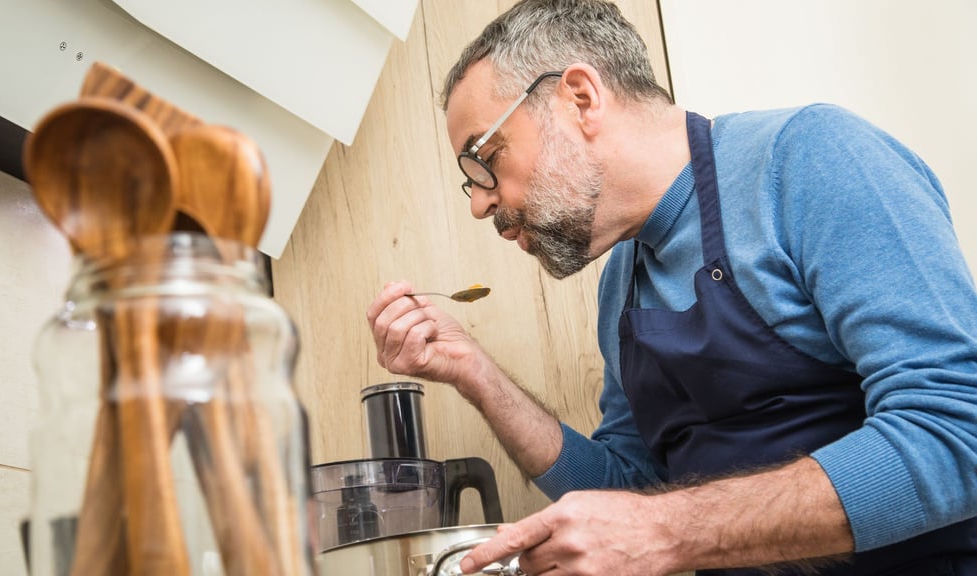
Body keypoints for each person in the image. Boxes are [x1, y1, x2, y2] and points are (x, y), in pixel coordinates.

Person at [365, 0, 977, 574]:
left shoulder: (810, 159)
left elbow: (959, 432)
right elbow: (632, 496)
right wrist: (475, 372)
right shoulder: (620, 285)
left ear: (579, 98)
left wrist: (667, 531)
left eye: (484, 158)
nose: (479, 203)